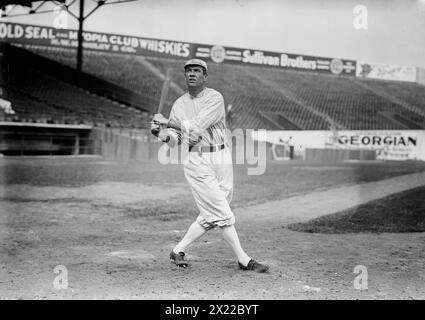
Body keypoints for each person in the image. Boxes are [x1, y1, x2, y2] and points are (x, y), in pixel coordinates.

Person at [151, 59, 269, 273]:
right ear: (185, 76)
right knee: (221, 212)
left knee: (213, 211)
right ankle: (243, 259)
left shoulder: (215, 98)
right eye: (188, 71)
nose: (192, 74)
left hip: (221, 156)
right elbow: (176, 140)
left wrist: (166, 122)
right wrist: (161, 134)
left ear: (205, 77)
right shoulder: (179, 104)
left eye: (197, 71)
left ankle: (178, 250)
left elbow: (196, 127)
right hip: (196, 161)